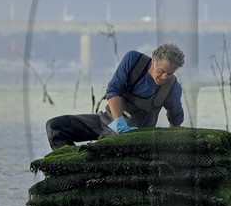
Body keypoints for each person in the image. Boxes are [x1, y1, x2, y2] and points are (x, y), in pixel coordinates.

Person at [45, 42, 186, 150]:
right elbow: (113, 90)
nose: (164, 77)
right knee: (55, 126)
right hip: (106, 121)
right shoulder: (133, 60)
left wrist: (172, 145)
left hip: (135, 138)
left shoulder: (172, 88)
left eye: (170, 73)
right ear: (154, 59)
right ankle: (72, 166)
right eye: (161, 71)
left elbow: (176, 117)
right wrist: (120, 123)